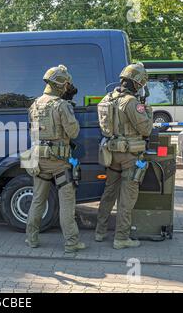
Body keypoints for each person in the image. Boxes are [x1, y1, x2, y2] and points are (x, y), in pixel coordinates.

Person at [25, 65, 85, 253]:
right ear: (60, 84)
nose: (68, 87)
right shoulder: (62, 105)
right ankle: (71, 243)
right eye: (66, 83)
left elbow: (32, 133)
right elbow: (73, 132)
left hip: (38, 159)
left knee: (37, 201)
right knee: (67, 203)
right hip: (60, 162)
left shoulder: (34, 105)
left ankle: (31, 239)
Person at [95, 63, 153, 249]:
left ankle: (100, 232)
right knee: (126, 199)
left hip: (111, 154)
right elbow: (146, 128)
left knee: (108, 194)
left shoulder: (106, 99)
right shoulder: (131, 102)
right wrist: (148, 110)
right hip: (130, 156)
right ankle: (121, 238)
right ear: (136, 83)